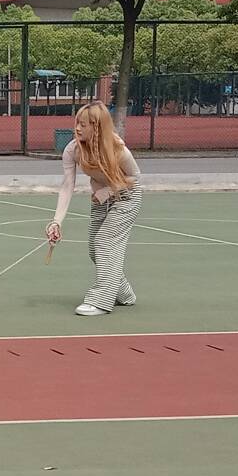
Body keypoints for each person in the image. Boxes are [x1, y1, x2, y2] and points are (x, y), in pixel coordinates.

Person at [46, 102, 142, 316]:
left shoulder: (118, 148)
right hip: (100, 199)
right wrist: (56, 221)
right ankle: (124, 294)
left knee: (104, 242)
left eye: (84, 125)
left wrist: (107, 191)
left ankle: (100, 300)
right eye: (77, 123)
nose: (77, 128)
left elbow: (135, 177)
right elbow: (67, 185)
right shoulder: (72, 150)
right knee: (94, 249)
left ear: (97, 127)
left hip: (126, 197)